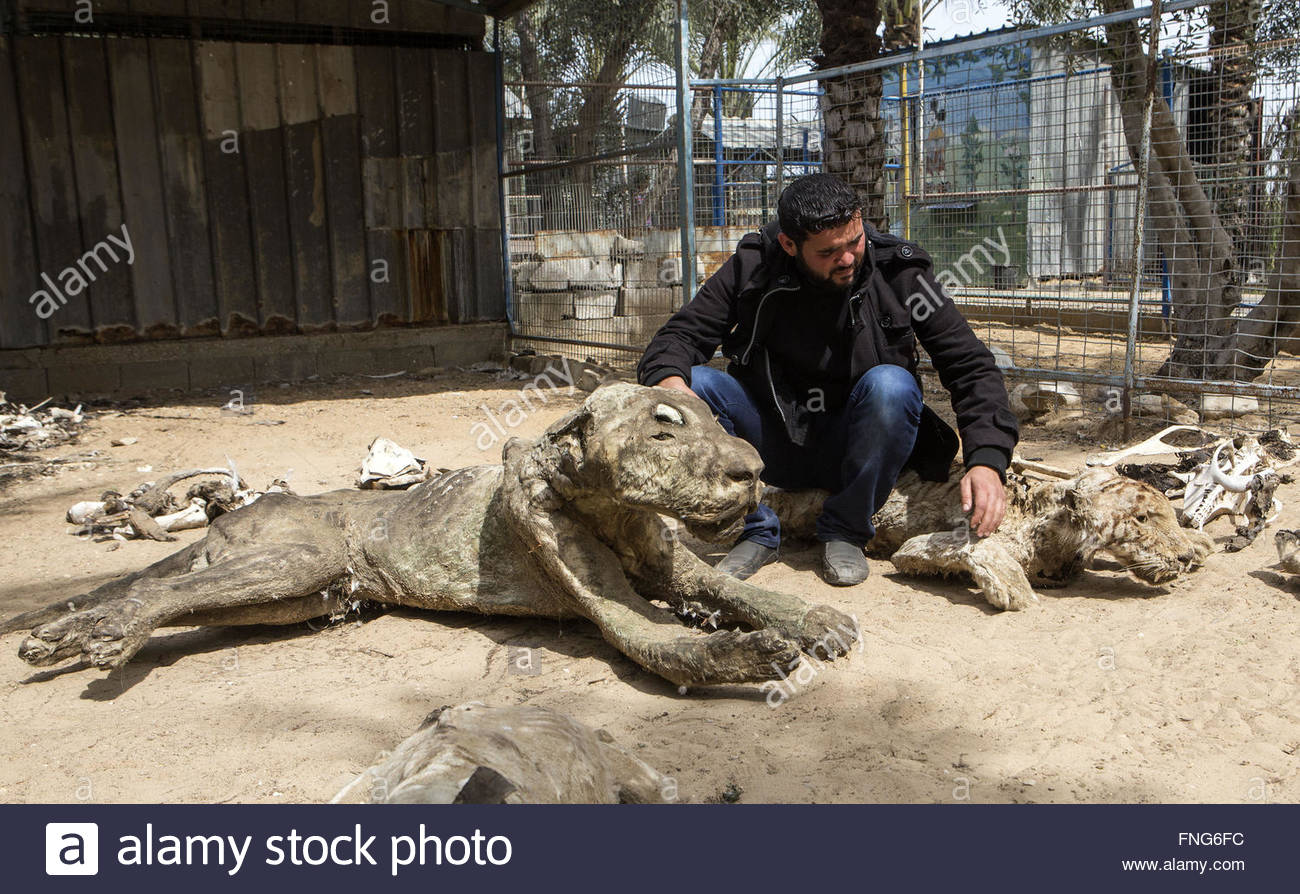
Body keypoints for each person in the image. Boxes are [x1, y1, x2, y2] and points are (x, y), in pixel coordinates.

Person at [636, 173, 1019, 586]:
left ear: (860, 221)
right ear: (789, 245)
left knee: (893, 385)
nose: (848, 258)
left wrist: (987, 460)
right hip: (769, 442)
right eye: (829, 252)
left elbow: (970, 365)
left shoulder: (899, 273)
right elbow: (679, 337)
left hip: (858, 444)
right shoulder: (754, 265)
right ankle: (755, 527)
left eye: (854, 241)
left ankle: (846, 529)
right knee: (694, 385)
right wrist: (674, 389)